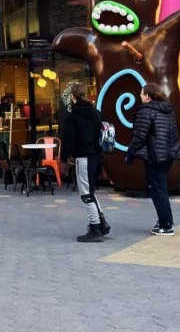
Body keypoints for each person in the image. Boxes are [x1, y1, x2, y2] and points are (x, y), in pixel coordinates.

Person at [126, 82, 180, 236]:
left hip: (154, 156)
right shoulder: (167, 110)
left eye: (141, 93)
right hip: (169, 155)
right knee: (160, 187)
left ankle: (166, 225)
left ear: (148, 96)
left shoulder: (145, 112)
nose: (139, 95)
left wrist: (130, 152)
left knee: (157, 189)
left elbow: (139, 136)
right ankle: (165, 220)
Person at [60, 83, 111, 242]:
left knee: (86, 194)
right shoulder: (96, 113)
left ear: (73, 98)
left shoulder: (72, 117)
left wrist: (63, 160)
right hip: (95, 157)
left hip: (83, 158)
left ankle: (95, 227)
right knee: (90, 191)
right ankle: (101, 222)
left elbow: (69, 141)